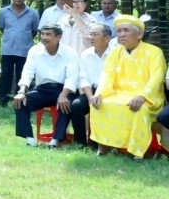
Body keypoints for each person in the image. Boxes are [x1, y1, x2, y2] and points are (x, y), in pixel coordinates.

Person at [89, 15, 167, 157]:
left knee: (139, 109)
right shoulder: (115, 52)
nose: (122, 34)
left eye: (126, 30)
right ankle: (103, 147)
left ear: (139, 34)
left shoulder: (154, 52)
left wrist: (142, 96)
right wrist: (98, 93)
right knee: (99, 104)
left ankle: (137, 152)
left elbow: (157, 78)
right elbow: (107, 76)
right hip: (119, 94)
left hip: (148, 97)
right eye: (119, 31)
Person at [13, 23, 83, 147]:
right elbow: (28, 71)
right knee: (20, 103)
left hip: (63, 89)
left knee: (66, 105)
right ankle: (30, 140)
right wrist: (21, 91)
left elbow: (72, 77)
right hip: (42, 90)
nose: (44, 37)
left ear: (58, 37)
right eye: (43, 34)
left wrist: (63, 95)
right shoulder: (35, 50)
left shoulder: (70, 53)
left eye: (48, 34)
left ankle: (55, 140)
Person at [52, 21, 111, 149]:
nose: (91, 37)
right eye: (90, 34)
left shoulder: (115, 54)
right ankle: (80, 143)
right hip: (90, 91)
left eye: (95, 34)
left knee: (103, 106)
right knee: (77, 105)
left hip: (109, 91)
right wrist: (90, 97)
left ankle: (99, 143)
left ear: (107, 38)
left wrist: (99, 95)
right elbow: (83, 78)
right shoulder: (85, 54)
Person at [0, 0, 39, 104]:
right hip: (8, 49)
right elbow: (2, 28)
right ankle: (2, 99)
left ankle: (21, 97)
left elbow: (34, 30)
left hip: (25, 49)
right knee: (6, 75)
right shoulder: (4, 12)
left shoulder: (33, 13)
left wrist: (23, 37)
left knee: (23, 74)